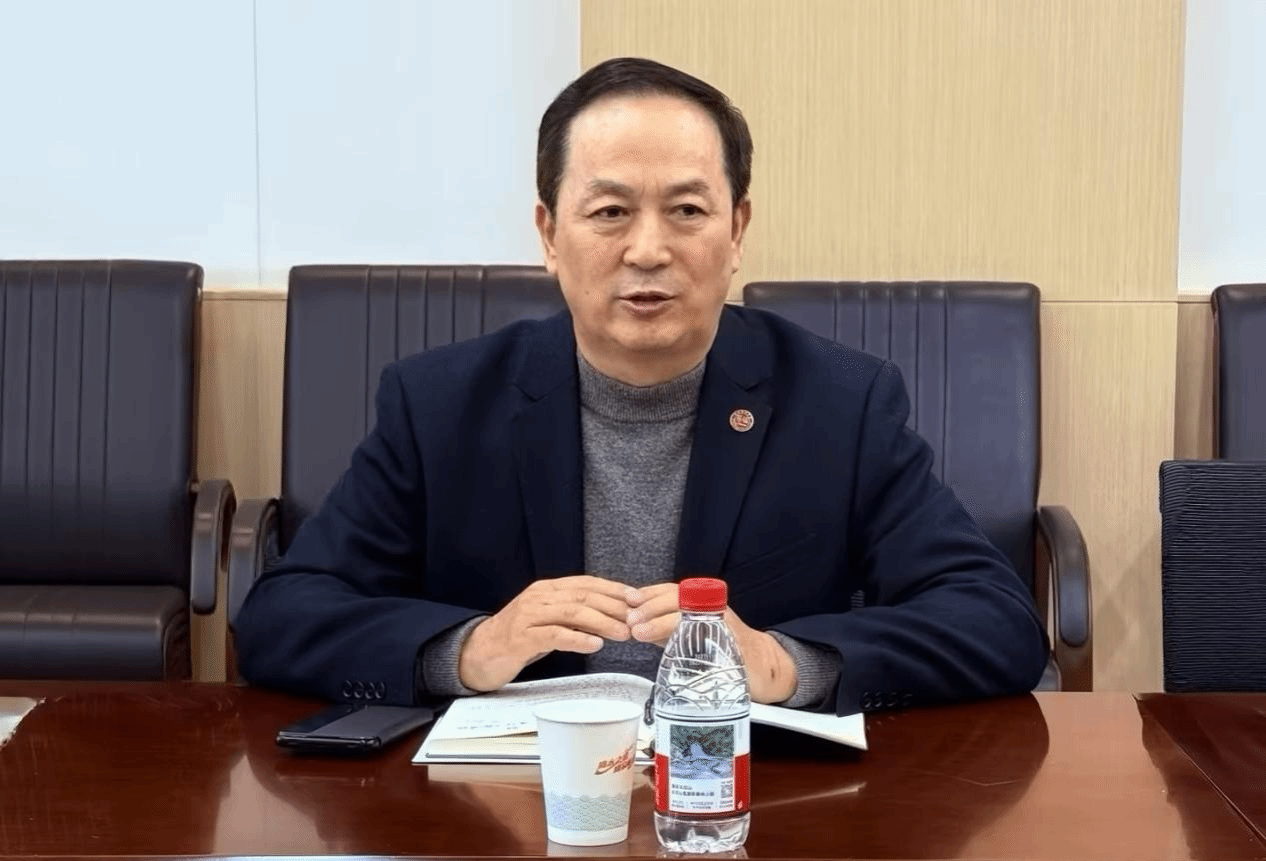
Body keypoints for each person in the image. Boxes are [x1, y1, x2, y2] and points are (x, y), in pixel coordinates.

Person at [234, 56, 1049, 715]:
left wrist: (785, 663)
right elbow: (282, 615)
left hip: (751, 807)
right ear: (549, 233)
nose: (649, 250)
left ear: (738, 230)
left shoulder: (842, 404)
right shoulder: (439, 405)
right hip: (506, 813)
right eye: (610, 212)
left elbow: (997, 621)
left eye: (687, 210)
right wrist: (468, 649)